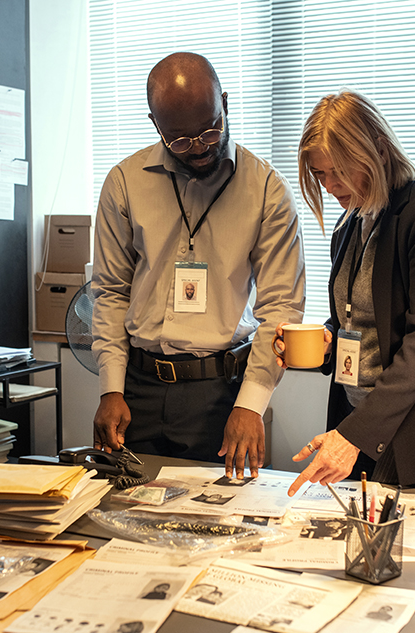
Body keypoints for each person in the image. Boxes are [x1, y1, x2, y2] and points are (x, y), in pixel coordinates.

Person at [91, 52, 305, 476]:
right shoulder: (124, 184)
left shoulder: (267, 190)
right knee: (126, 518)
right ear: (155, 125)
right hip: (138, 389)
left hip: (221, 393)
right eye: (181, 140)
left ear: (225, 102)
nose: (200, 147)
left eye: (211, 130)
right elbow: (110, 292)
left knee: (217, 528)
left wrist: (251, 403)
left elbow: (280, 308)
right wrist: (110, 388)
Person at [275, 90, 415, 495]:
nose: (330, 186)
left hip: (411, 438)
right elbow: (355, 318)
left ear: (379, 151)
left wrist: (355, 435)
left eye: (340, 171)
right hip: (355, 423)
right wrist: (324, 341)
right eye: (319, 175)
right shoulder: (351, 222)